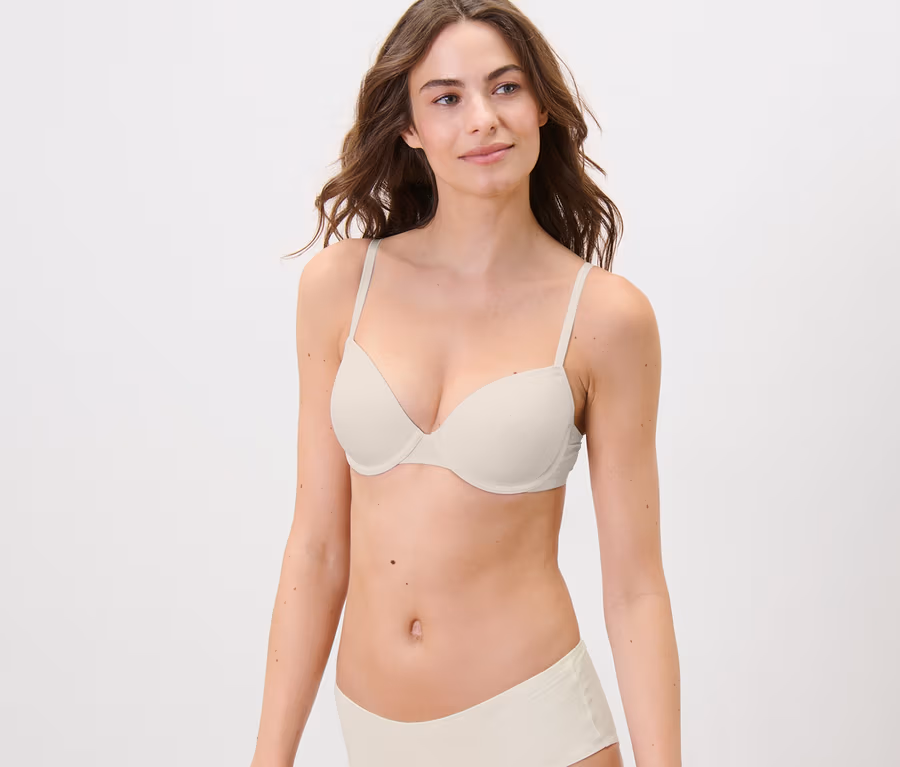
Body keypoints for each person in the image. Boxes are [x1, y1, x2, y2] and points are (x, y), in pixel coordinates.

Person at [251, 2, 680, 766]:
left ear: (541, 105)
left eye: (505, 87)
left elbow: (635, 586)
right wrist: (267, 757)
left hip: (539, 728)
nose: (483, 118)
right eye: (446, 97)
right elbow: (315, 549)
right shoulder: (339, 288)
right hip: (375, 734)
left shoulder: (604, 318)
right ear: (409, 126)